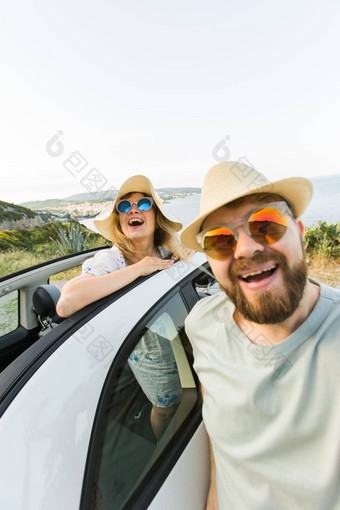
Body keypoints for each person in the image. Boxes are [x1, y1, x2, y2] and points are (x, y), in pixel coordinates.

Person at [180, 160, 340, 510]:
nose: (245, 249)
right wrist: (214, 497)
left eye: (266, 224)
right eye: (220, 240)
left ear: (299, 230)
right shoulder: (201, 326)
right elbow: (218, 427)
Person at [57, 174, 184, 440]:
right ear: (120, 222)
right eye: (124, 207)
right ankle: (165, 449)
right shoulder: (111, 259)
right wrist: (140, 268)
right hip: (148, 345)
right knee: (166, 407)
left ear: (155, 215)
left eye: (144, 204)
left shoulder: (168, 251)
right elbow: (67, 303)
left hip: (179, 327)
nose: (134, 209)